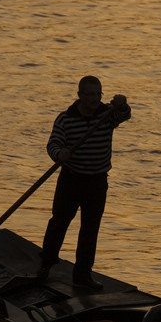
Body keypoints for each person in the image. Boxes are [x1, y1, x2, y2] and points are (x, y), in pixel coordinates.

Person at [38, 75, 131, 290]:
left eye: (98, 94)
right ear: (80, 95)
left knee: (90, 228)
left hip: (97, 182)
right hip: (71, 178)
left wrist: (123, 103)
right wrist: (60, 153)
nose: (94, 99)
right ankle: (47, 264)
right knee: (59, 222)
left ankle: (82, 274)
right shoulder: (65, 119)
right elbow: (53, 143)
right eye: (90, 95)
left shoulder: (107, 115)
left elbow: (125, 115)